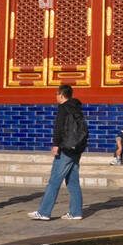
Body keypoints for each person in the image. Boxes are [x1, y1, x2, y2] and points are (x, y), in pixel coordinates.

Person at [28, 85, 88, 221]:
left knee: (54, 181)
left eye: (56, 94)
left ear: (61, 95)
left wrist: (56, 144)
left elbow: (59, 127)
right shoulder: (77, 107)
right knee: (73, 182)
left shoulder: (63, 107)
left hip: (65, 148)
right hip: (76, 149)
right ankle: (76, 212)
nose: (56, 97)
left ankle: (44, 212)